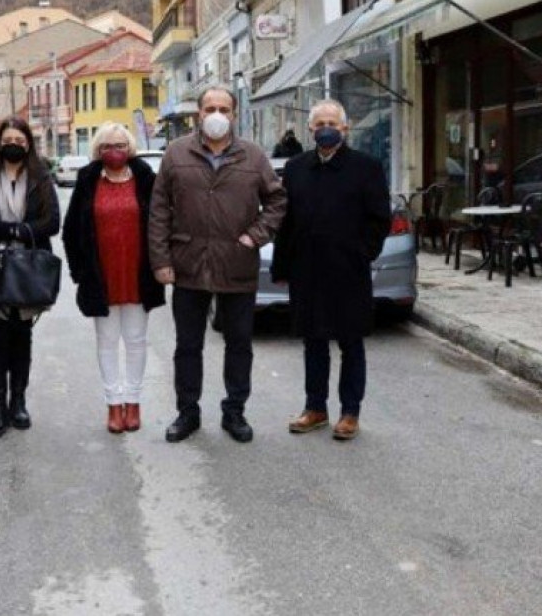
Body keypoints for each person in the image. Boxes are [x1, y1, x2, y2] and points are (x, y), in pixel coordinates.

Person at [148, 87, 287, 444]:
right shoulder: (177, 153)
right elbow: (159, 209)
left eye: (224, 108)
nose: (216, 114)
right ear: (198, 113)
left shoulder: (253, 156)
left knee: (239, 343)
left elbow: (276, 201)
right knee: (187, 345)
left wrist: (254, 236)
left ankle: (235, 412)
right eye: (210, 107)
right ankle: (187, 412)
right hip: (188, 263)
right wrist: (161, 259)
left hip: (237, 263)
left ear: (234, 114)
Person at [271, 100, 391, 441]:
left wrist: (362, 253)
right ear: (310, 130)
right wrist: (283, 266)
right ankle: (316, 408)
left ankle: (350, 412)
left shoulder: (365, 167)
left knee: (351, 342)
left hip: (348, 270)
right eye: (320, 122)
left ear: (345, 128)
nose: (326, 127)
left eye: (333, 122)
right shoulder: (295, 168)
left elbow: (378, 219)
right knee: (313, 342)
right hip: (306, 270)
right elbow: (286, 221)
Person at [0, 117, 61, 439]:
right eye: (7, 139)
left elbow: (52, 220)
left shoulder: (41, 174)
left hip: (28, 268)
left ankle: (19, 402)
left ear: (28, 143)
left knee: (21, 337)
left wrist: (18, 230)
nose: (13, 143)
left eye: (19, 138)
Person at [64, 122, 165, 434]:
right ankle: (113, 404)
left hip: (138, 273)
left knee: (136, 341)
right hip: (101, 275)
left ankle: (133, 403)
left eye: (120, 145)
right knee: (106, 342)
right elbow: (71, 231)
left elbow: (161, 222)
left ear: (130, 148)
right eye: (107, 146)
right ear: (98, 150)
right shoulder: (88, 179)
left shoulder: (146, 178)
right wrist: (80, 273)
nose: (114, 151)